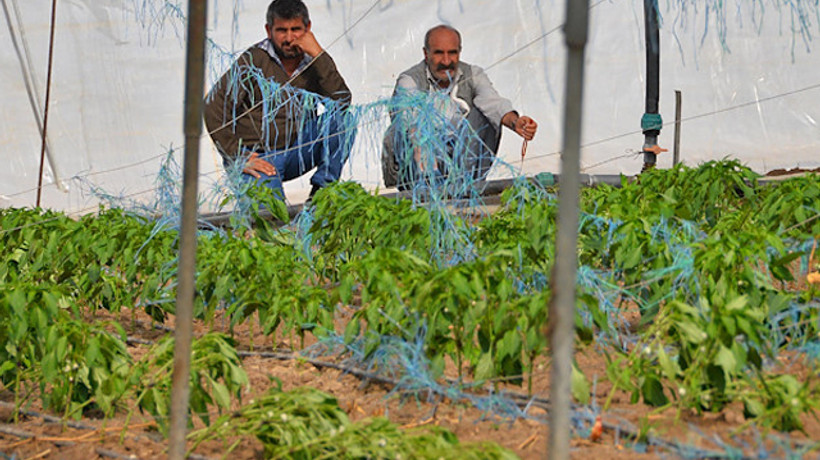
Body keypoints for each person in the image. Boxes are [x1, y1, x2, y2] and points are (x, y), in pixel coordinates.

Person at [204, 0, 355, 202]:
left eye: (296, 29)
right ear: (269, 30)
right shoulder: (255, 59)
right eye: (281, 30)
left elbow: (342, 101)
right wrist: (237, 155)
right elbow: (213, 105)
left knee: (345, 121)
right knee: (271, 218)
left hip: (296, 150)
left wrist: (318, 53)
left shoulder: (313, 62)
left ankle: (321, 194)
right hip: (256, 158)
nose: (289, 38)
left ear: (308, 28)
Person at [382, 24, 538, 190]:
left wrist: (516, 122)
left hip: (462, 162)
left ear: (459, 52)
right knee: (408, 129)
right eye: (439, 53)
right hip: (420, 163)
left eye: (452, 53)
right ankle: (424, 193)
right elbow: (406, 116)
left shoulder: (473, 74)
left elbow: (493, 102)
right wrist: (420, 139)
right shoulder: (410, 79)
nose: (446, 61)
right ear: (426, 54)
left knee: (483, 116)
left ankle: (464, 189)